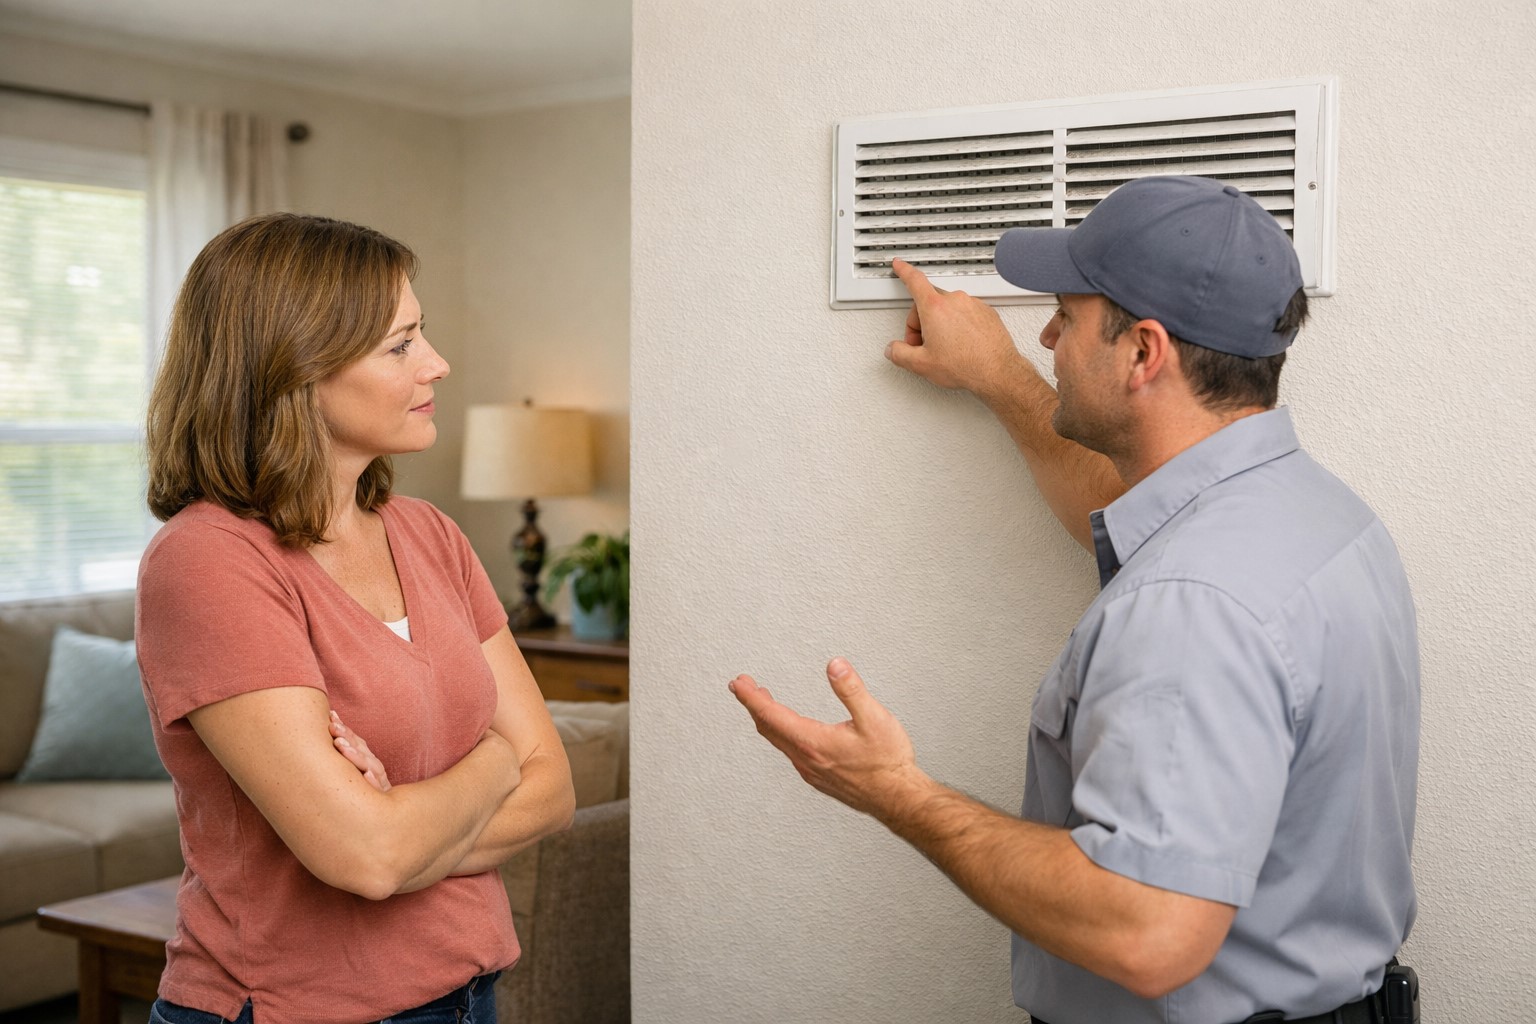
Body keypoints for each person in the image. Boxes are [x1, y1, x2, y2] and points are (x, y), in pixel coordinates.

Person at [730, 176, 1419, 1023]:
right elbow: (1134, 516)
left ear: (1143, 353)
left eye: (1065, 314)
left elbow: (1148, 933)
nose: (1047, 336)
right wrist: (999, 377)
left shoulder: (1194, 603)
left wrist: (893, 791)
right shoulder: (1312, 515)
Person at [136, 213, 575, 1024]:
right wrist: (493, 761)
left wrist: (402, 829)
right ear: (295, 367)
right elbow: (365, 856)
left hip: (468, 994)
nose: (437, 363)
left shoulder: (430, 535)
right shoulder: (208, 561)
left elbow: (553, 789)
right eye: (400, 345)